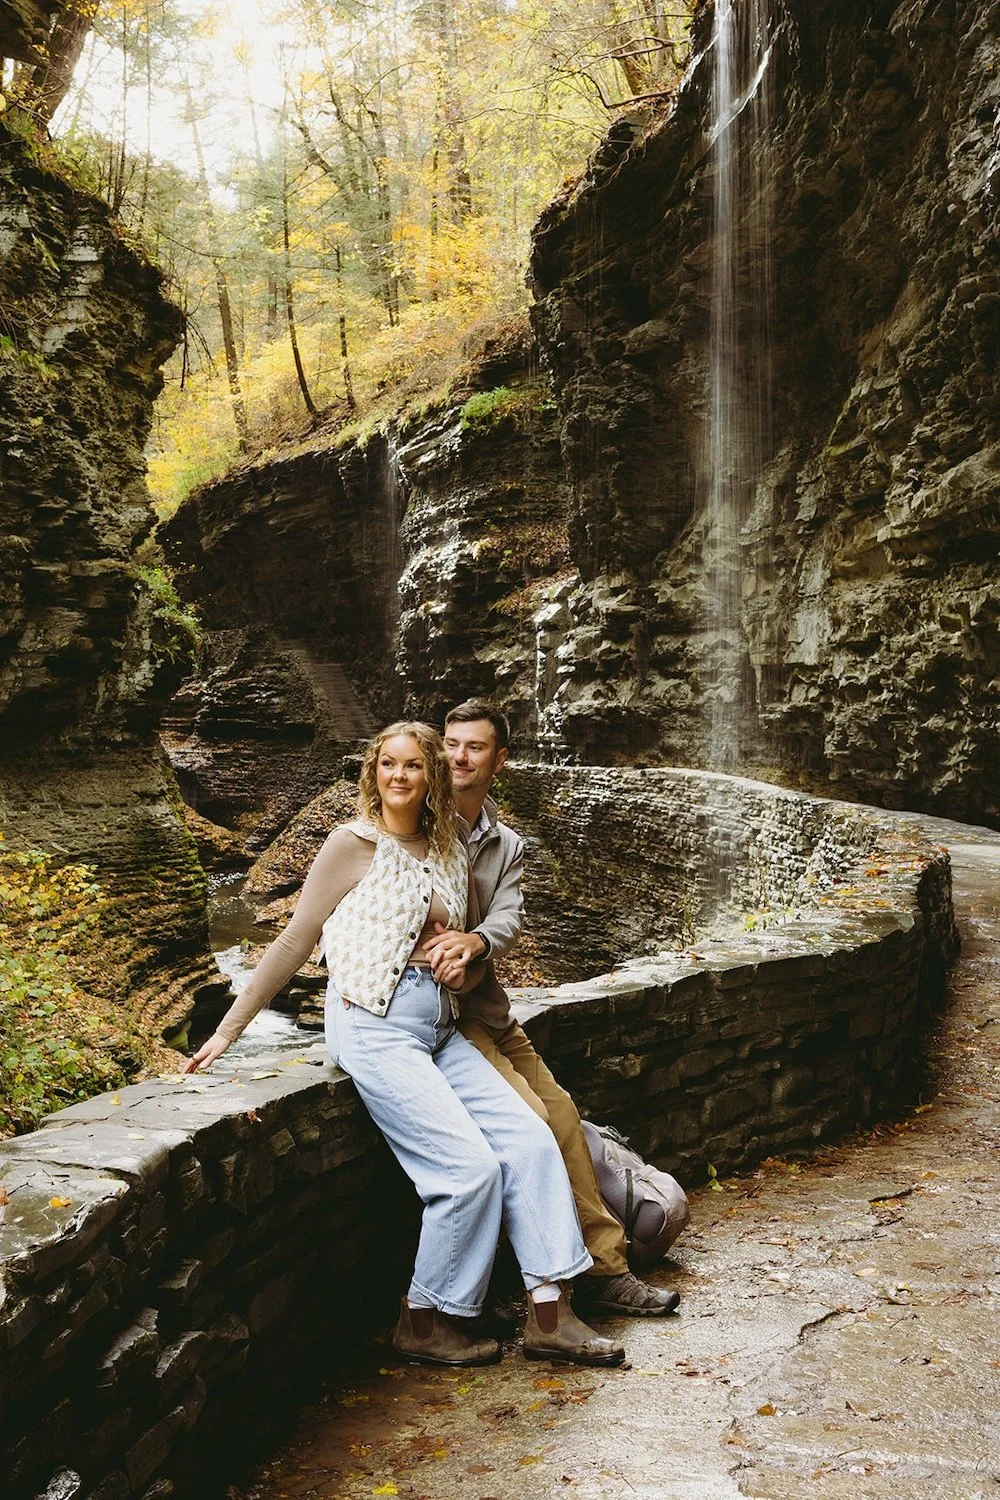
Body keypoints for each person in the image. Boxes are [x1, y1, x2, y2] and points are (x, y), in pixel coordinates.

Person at [185, 721, 624, 1369]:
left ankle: (550, 1315)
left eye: (413, 765)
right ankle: (422, 1321)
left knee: (530, 1141)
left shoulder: (449, 849)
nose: (398, 776)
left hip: (440, 1030)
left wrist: (461, 963)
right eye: (388, 764)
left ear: (431, 777)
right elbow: (293, 942)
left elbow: (466, 952)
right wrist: (228, 1029)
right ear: (374, 773)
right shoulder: (351, 845)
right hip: (372, 1024)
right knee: (467, 1172)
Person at [424, 700, 681, 1317]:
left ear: (499, 760)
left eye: (474, 747)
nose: (459, 757)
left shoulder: (505, 844)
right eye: (451, 745)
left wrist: (477, 941)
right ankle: (563, 1276)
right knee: (532, 1123)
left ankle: (603, 1265)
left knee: (562, 1114)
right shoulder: (420, 826)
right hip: (446, 1016)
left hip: (489, 1009)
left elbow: (507, 919)